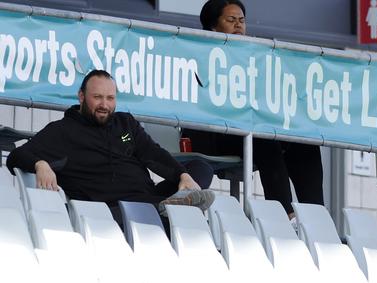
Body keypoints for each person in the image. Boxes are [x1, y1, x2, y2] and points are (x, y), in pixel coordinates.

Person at [7, 69, 215, 224]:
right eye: (97, 97)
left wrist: (183, 176)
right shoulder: (62, 131)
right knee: (174, 213)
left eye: (110, 98)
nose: (104, 105)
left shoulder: (125, 124)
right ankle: (175, 209)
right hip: (109, 211)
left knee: (200, 168)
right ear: (81, 96)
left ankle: (172, 206)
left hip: (147, 197)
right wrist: (40, 164)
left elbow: (152, 154)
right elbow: (16, 156)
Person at [183, 0, 324, 219]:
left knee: (304, 144)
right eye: (230, 20)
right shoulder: (198, 55)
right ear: (213, 26)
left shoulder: (253, 57)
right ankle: (284, 214)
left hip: (246, 128)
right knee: (264, 140)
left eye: (241, 20)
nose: (238, 25)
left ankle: (316, 216)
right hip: (210, 131)